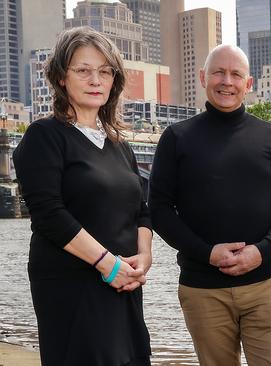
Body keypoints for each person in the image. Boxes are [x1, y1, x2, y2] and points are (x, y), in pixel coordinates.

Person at [148, 44, 271, 366]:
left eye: (236, 74)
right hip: (202, 288)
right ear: (204, 77)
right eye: (219, 72)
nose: (227, 81)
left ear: (248, 84)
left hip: (265, 283)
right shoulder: (177, 137)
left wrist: (261, 251)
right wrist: (207, 253)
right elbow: (160, 210)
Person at [12, 26, 152, 365]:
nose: (95, 80)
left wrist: (143, 258)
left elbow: (142, 211)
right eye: (83, 70)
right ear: (62, 77)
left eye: (105, 72)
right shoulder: (44, 136)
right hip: (71, 283)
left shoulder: (120, 145)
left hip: (124, 283)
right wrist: (107, 265)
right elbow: (49, 214)